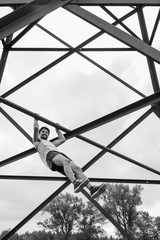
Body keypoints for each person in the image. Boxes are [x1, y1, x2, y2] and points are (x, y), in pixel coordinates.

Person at [33, 117, 106, 198]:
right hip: (49, 156)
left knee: (77, 169)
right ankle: (75, 183)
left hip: (58, 154)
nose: (45, 133)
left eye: (46, 132)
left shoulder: (51, 143)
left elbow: (62, 139)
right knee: (66, 161)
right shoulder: (37, 142)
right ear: (39, 133)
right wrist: (35, 120)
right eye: (43, 132)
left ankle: (92, 189)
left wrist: (57, 130)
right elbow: (36, 128)